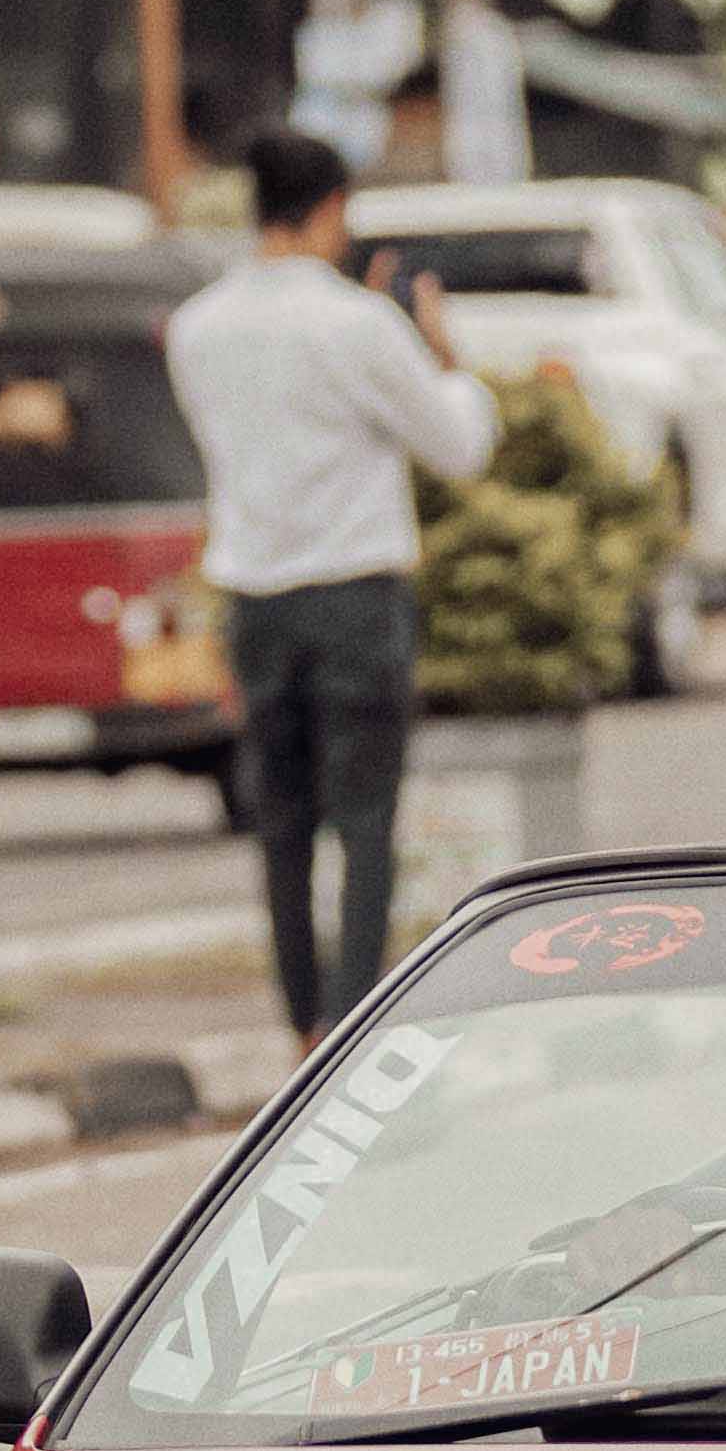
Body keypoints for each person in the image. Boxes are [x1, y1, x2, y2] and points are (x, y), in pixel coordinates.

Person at [167, 121, 499, 1040]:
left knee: (279, 823)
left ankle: (299, 1019)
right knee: (363, 820)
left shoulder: (196, 328)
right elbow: (459, 444)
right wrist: (441, 350)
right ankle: (350, 1021)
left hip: (254, 596)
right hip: (354, 591)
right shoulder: (357, 323)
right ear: (329, 210)